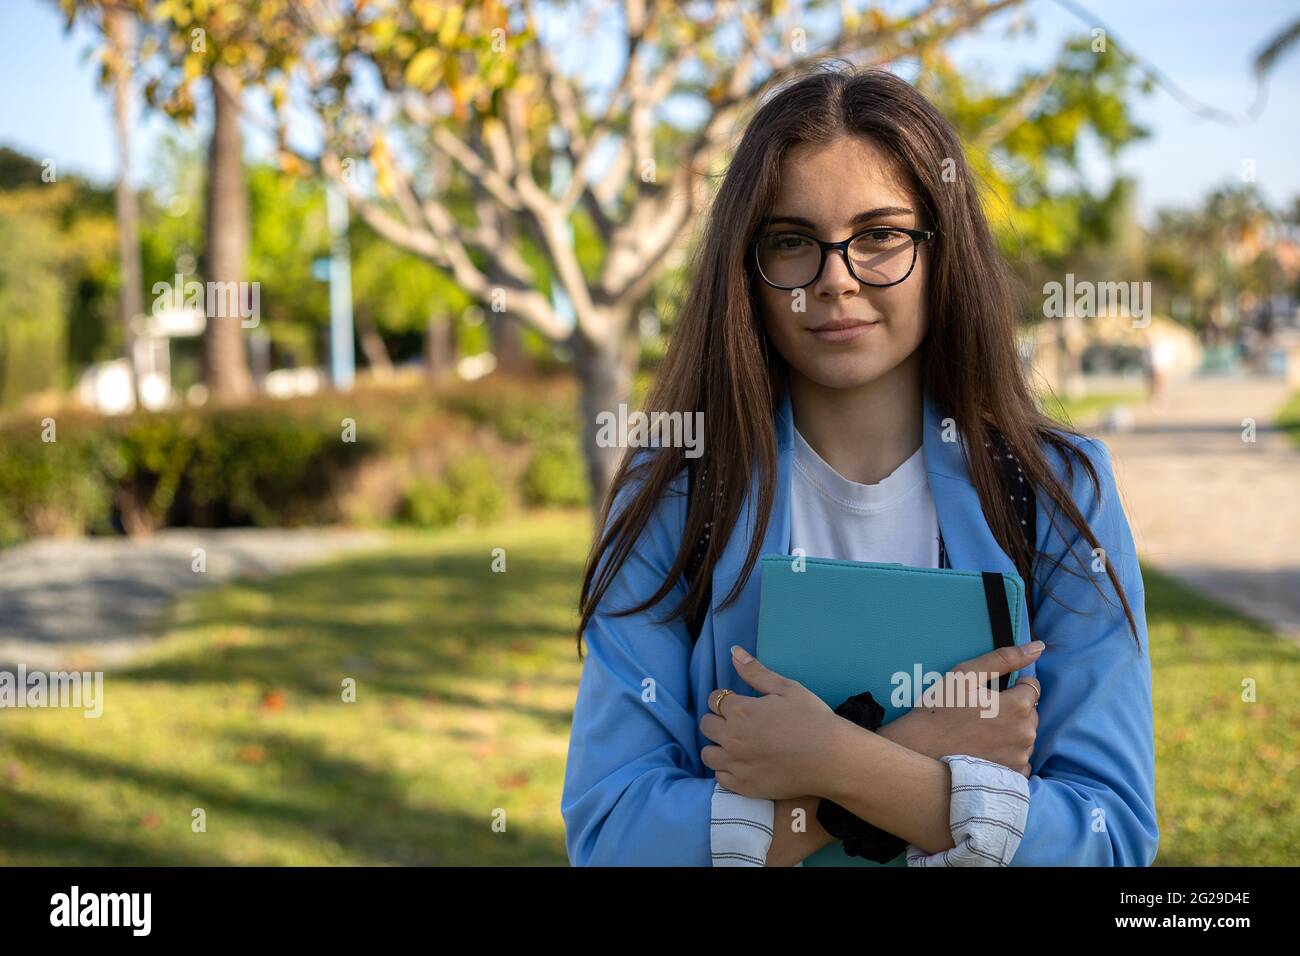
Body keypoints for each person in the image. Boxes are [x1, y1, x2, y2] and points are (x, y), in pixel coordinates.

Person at [560, 65, 1157, 867]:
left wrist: (828, 759)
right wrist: (906, 754)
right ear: (750, 270)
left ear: (944, 252)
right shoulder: (675, 497)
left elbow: (1109, 839)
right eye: (793, 242)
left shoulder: (1056, 492)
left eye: (880, 236)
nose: (836, 279)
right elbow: (612, 837)